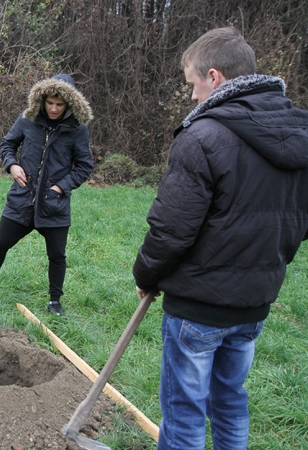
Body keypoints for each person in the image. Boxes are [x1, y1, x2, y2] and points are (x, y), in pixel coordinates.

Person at [133, 27, 308, 450]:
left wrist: (146, 273)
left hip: (198, 307)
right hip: (255, 303)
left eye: (192, 84)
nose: (192, 97)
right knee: (231, 401)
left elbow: (172, 228)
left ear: (214, 77)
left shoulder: (203, 136)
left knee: (185, 411)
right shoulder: (299, 134)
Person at [0, 74, 94, 316]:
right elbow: (7, 144)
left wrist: (60, 187)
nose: (54, 108)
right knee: (0, 244)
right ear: (42, 99)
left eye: (59, 105)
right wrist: (12, 165)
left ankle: (55, 301)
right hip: (22, 199)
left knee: (57, 255)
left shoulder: (77, 129)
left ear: (69, 103)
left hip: (54, 204)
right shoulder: (28, 119)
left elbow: (84, 166)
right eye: (50, 102)